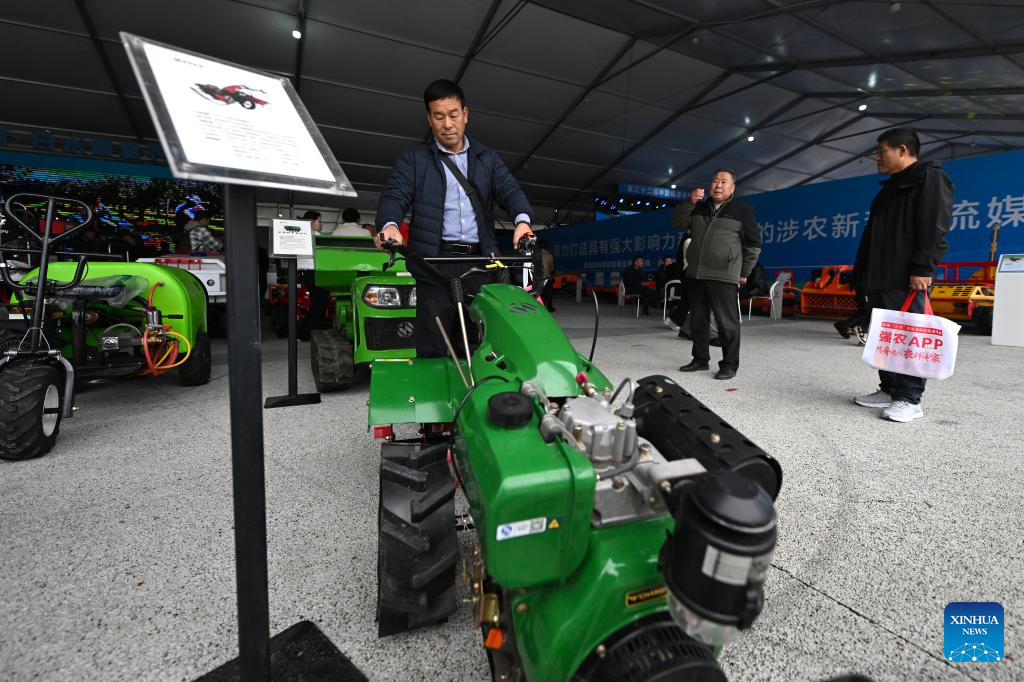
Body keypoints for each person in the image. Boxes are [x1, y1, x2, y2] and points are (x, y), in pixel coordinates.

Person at [374, 79, 533, 358]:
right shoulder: (415, 159)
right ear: (429, 119)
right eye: (439, 116)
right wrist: (390, 225)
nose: (447, 124)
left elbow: (510, 190)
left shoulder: (486, 158)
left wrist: (522, 222)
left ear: (465, 114)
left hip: (480, 265)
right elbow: (395, 194)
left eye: (453, 114)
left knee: (478, 346)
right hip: (434, 265)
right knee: (433, 345)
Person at [852, 128, 952, 423]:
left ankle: (910, 399)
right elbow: (872, 236)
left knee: (909, 335)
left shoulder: (929, 178)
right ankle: (889, 388)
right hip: (880, 275)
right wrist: (862, 275)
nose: (877, 157)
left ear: (903, 150)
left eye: (881, 151)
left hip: (905, 275)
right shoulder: (890, 188)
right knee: (885, 335)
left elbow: (934, 226)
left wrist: (923, 268)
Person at [672, 169, 760, 380]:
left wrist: (744, 272)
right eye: (715, 181)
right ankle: (700, 359)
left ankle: (729, 365)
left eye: (724, 182)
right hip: (697, 273)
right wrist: (690, 202)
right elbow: (677, 223)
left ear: (732, 187)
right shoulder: (699, 208)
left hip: (724, 275)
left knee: (726, 323)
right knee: (698, 321)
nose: (718, 185)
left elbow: (753, 245)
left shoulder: (742, 210)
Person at [297, 210, 331, 340]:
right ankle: (308, 333)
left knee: (317, 303)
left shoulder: (302, 235)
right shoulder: (316, 236)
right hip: (315, 273)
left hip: (305, 273)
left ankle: (307, 332)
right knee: (319, 304)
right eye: (319, 221)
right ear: (312, 222)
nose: (321, 224)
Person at [540, 239, 556, 312]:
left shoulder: (535, 255)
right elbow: (552, 267)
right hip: (547, 277)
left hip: (538, 278)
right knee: (548, 293)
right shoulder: (549, 255)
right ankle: (550, 308)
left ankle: (541, 307)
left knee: (540, 293)